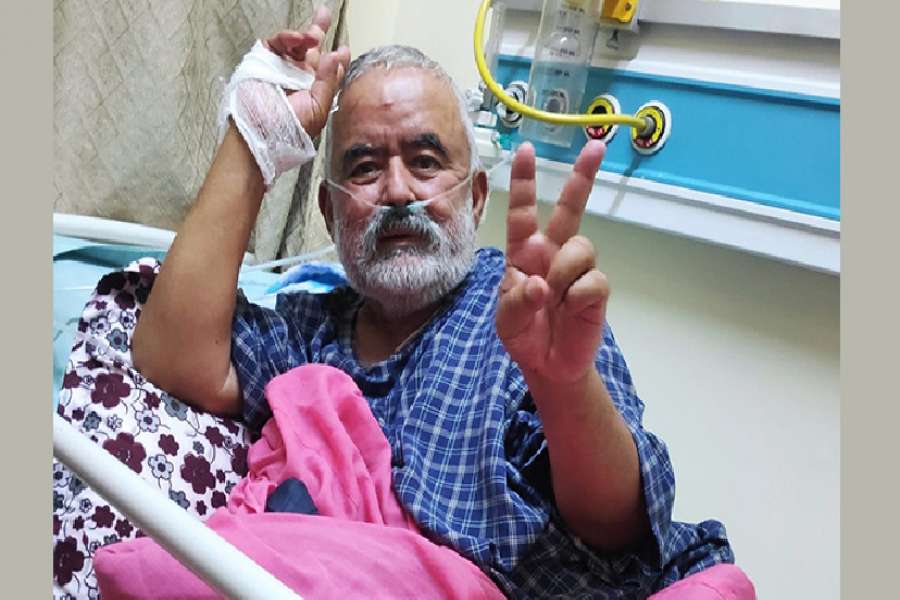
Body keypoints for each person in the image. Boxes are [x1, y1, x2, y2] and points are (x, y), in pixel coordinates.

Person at [131, 6, 738, 598]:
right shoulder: (309, 332)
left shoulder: (528, 309)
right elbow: (173, 356)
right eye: (364, 168)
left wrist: (563, 384)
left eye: (425, 162)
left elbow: (616, 530)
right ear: (330, 212)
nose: (398, 191)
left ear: (475, 198)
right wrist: (257, 137)